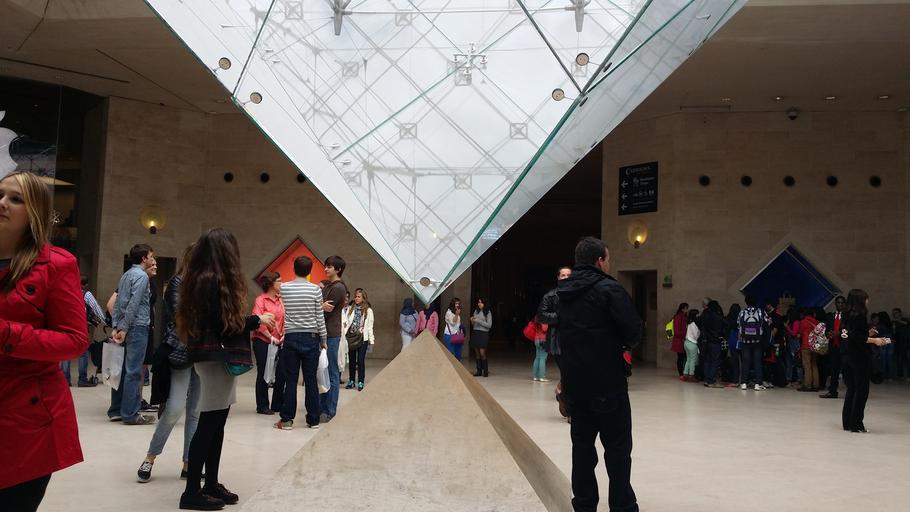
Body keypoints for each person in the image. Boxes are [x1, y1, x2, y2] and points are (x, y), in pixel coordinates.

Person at [0, 171, 90, 511]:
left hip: (26, 418)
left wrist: (7, 334)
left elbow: (75, 340)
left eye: (15, 199)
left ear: (34, 212)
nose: (2, 203)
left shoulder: (56, 265)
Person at [177, 228, 276, 510]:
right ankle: (192, 491)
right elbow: (223, 324)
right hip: (214, 359)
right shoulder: (210, 280)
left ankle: (210, 483)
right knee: (209, 424)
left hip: (213, 358)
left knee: (216, 423)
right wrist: (257, 321)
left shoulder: (202, 278)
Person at [557, 237, 641, 512]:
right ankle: (622, 506)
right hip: (608, 384)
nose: (609, 264)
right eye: (609, 259)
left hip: (576, 386)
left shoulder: (563, 293)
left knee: (582, 451)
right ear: (599, 261)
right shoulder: (610, 289)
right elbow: (633, 331)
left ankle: (584, 505)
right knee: (618, 451)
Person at [136, 245, 201, 483]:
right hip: (181, 351)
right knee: (174, 409)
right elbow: (180, 317)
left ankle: (189, 463)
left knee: (195, 412)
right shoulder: (178, 282)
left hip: (203, 354)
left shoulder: (209, 284)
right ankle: (150, 457)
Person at [276, 256, 328, 431]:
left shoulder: (284, 288)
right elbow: (319, 317)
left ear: (293, 269)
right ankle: (313, 419)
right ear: (310, 271)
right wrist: (324, 339)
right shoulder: (315, 290)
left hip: (291, 336)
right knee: (311, 379)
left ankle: (287, 420)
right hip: (311, 337)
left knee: (291, 379)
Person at [108, 243, 157, 425]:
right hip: (137, 327)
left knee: (121, 371)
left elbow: (118, 303)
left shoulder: (126, 275)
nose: (153, 260)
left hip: (125, 326)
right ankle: (130, 413)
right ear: (144, 258)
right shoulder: (142, 277)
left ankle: (116, 410)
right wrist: (125, 328)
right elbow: (133, 305)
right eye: (151, 256)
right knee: (134, 371)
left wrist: (116, 326)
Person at [841, 289, 890, 433]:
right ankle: (856, 424)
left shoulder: (846, 315)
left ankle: (847, 422)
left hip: (848, 356)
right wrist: (875, 340)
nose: (868, 301)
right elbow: (858, 338)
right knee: (861, 391)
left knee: (851, 389)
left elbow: (852, 335)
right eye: (866, 299)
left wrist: (867, 334)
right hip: (859, 358)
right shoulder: (860, 316)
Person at [251, 272, 286, 415]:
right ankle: (262, 405)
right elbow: (257, 321)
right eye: (279, 281)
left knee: (282, 372)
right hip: (263, 341)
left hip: (281, 341)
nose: (282, 284)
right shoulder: (261, 300)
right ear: (271, 283)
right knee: (264, 372)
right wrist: (270, 337)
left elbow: (286, 318)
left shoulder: (281, 300)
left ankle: (277, 403)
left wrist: (283, 334)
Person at [60, 277, 105, 387]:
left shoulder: (66, 292)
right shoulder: (86, 294)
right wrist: (105, 321)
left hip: (66, 326)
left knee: (66, 352)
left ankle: (65, 380)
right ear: (86, 284)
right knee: (83, 353)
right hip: (80, 327)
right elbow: (96, 308)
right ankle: (82, 379)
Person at [319, 255, 348, 423]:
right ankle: (323, 408)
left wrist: (318, 305)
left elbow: (325, 310)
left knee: (331, 373)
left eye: (329, 266)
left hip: (330, 334)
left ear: (338, 269)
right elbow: (320, 306)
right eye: (326, 266)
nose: (326, 269)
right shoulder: (329, 285)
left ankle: (329, 410)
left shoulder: (338, 288)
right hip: (325, 332)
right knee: (322, 371)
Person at [343, 288, 374, 390]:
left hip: (362, 338)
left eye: (359, 297)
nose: (356, 298)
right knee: (351, 360)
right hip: (351, 337)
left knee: (360, 360)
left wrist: (371, 340)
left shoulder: (368, 310)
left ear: (363, 298)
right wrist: (344, 334)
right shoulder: (350, 308)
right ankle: (351, 380)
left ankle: (361, 381)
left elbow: (370, 326)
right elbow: (346, 322)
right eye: (355, 296)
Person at [737, 296, 767, 391]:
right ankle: (757, 384)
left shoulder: (742, 312)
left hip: (745, 341)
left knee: (745, 361)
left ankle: (744, 383)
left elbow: (738, 325)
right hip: (757, 341)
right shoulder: (761, 312)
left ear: (746, 302)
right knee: (757, 362)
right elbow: (767, 322)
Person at [820, 295, 847, 398]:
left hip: (844, 347)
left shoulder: (847, 317)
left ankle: (851, 391)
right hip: (833, 346)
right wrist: (828, 334)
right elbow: (826, 330)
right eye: (838, 302)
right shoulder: (830, 316)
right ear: (835, 304)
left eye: (842, 303)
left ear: (844, 304)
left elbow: (849, 331)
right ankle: (832, 391)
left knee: (846, 370)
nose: (840, 304)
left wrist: (840, 333)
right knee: (833, 370)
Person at [698, 301, 726, 388]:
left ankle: (707, 380)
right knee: (714, 361)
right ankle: (712, 381)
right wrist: (722, 335)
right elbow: (727, 325)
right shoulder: (719, 317)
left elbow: (698, 323)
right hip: (715, 341)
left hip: (706, 341)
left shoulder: (705, 316)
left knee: (707, 361)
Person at [798, 309, 820, 392]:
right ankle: (816, 384)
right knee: (814, 365)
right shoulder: (817, 322)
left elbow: (800, 333)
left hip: (806, 345)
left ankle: (808, 385)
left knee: (807, 366)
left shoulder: (803, 322)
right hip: (815, 346)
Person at [470, 297, 493, 377]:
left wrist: (478, 321)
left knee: (482, 352)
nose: (479, 304)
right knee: (477, 353)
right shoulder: (476, 311)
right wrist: (472, 321)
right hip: (476, 332)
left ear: (485, 304)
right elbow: (473, 324)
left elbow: (489, 325)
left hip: (483, 333)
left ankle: (485, 371)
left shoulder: (488, 312)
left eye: (481, 302)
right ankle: (479, 371)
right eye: (479, 302)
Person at [724, 304, 742, 386]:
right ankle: (744, 379)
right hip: (741, 340)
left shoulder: (728, 319)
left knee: (734, 361)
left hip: (732, 340)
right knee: (744, 361)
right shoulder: (741, 318)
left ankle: (735, 380)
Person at [670, 303, 689, 378]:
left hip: (683, 340)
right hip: (679, 341)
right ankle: (681, 374)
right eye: (686, 308)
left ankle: (684, 373)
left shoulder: (684, 316)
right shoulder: (678, 317)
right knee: (680, 357)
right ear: (682, 309)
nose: (687, 310)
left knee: (683, 357)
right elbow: (677, 331)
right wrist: (685, 334)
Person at [875, 311, 894, 380]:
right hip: (890, 340)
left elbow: (876, 333)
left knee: (883, 359)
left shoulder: (879, 324)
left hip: (883, 339)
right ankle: (890, 376)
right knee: (889, 359)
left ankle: (884, 375)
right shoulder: (890, 323)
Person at [682, 309, 700, 382]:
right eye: (697, 315)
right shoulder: (694, 324)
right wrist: (699, 333)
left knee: (688, 359)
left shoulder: (688, 323)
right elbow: (696, 335)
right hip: (692, 343)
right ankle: (691, 376)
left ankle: (685, 375)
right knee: (693, 360)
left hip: (686, 343)